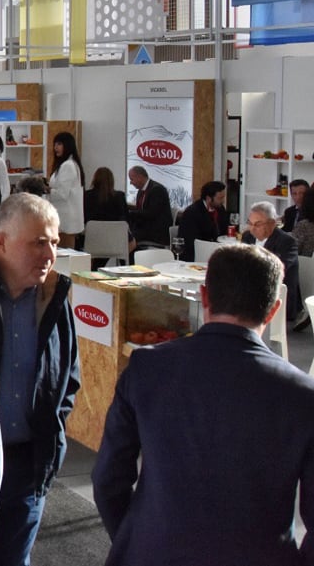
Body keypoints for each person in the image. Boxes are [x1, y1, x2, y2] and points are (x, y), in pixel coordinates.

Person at [92, 244, 314, 566]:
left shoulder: (147, 369)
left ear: (204, 296)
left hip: (153, 551)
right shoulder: (303, 395)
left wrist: (136, 535)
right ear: (274, 309)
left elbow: (108, 479)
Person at [0, 194, 80, 566]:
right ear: (1, 243)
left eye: (55, 243)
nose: (49, 254)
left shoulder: (53, 300)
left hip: (28, 467)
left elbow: (68, 378)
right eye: (39, 242)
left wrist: (53, 431)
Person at [242, 201, 303, 327]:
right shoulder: (248, 236)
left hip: (277, 297)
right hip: (251, 293)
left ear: (272, 223)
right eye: (250, 223)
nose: (252, 228)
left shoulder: (287, 242)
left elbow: (277, 269)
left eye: (258, 224)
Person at [47, 132, 84, 248]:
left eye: (59, 144)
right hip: (63, 218)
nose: (55, 148)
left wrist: (45, 189)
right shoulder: (66, 165)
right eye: (55, 144)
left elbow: (62, 194)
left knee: (65, 257)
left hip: (66, 220)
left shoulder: (68, 166)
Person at [176, 181, 227, 261]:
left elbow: (224, 231)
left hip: (215, 251)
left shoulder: (221, 209)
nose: (223, 201)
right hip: (194, 255)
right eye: (220, 198)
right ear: (208, 198)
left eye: (223, 197)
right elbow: (191, 241)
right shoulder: (192, 213)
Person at [126, 166, 172, 247]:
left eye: (132, 179)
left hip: (157, 232)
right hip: (145, 229)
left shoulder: (158, 190)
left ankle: (128, 258)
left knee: (127, 239)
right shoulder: (140, 191)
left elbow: (152, 214)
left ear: (140, 177)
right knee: (124, 235)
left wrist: (131, 213)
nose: (131, 182)